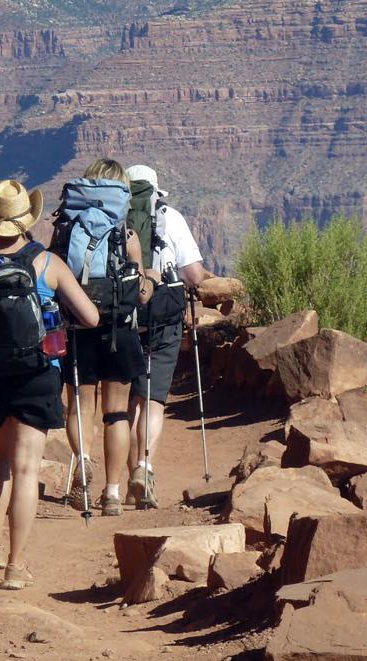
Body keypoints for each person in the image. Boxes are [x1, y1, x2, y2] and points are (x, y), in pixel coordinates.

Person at [0, 179, 100, 590]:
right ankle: (15, 566)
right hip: (37, 375)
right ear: (26, 220)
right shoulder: (48, 263)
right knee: (26, 468)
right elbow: (92, 317)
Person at [59, 159, 146, 517]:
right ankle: (112, 493)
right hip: (119, 329)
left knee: (80, 402)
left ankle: (84, 457)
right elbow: (138, 290)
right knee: (116, 413)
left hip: (78, 327)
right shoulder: (127, 235)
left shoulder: (65, 229)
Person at [124, 164, 214, 508]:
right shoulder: (169, 216)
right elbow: (193, 274)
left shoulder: (115, 216)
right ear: (155, 190)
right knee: (152, 399)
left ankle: (119, 483)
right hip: (163, 313)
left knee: (129, 399)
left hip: (123, 312)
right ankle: (144, 469)